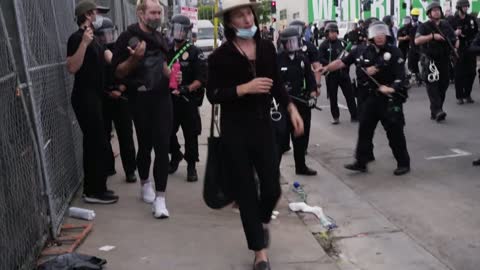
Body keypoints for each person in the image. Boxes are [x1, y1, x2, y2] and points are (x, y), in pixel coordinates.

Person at [206, 0, 304, 269]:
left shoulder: (266, 48)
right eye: (240, 16)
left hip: (262, 128)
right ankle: (259, 251)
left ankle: (261, 222)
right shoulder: (220, 57)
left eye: (249, 13)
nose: (247, 19)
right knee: (246, 191)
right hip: (235, 130)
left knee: (272, 186)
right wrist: (244, 88)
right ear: (229, 23)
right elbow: (213, 94)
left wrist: (291, 108)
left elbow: (277, 85)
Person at [112, 0, 180, 218]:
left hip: (162, 98)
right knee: (145, 145)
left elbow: (165, 65)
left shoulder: (160, 38)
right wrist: (135, 58)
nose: (157, 16)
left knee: (162, 145)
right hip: (139, 99)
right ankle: (145, 183)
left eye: (159, 12)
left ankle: (160, 199)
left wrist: (172, 75)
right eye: (153, 12)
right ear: (141, 14)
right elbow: (118, 73)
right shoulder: (126, 37)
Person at [321, 21, 411, 175]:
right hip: (370, 98)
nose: (379, 36)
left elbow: (401, 76)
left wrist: (391, 88)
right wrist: (326, 68)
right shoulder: (361, 51)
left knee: (394, 131)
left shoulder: (394, 52)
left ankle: (403, 163)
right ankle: (361, 162)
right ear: (370, 36)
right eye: (376, 34)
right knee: (364, 130)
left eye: (382, 33)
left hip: (389, 98)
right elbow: (342, 62)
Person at [66, 0, 118, 204]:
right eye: (96, 12)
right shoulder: (77, 38)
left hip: (96, 97)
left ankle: (96, 187)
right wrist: (84, 44)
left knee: (97, 142)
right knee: (96, 142)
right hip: (84, 97)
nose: (98, 16)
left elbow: (109, 60)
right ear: (87, 15)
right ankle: (94, 191)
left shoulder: (95, 38)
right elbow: (71, 67)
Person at [94, 15, 138, 184]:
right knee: (104, 135)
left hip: (122, 98)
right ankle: (108, 166)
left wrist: (122, 88)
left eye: (109, 34)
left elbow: (131, 72)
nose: (107, 38)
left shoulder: (122, 50)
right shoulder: (96, 51)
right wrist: (107, 91)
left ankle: (130, 170)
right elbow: (95, 77)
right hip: (104, 99)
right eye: (103, 35)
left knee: (126, 135)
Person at [167, 15, 207, 182]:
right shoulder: (167, 51)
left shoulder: (195, 52)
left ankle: (191, 166)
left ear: (187, 32)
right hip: (169, 100)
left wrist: (186, 88)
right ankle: (175, 154)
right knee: (167, 131)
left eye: (182, 30)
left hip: (187, 100)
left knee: (191, 135)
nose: (178, 33)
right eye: (176, 29)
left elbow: (202, 78)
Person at [277, 26, 318, 176]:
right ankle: (274, 171)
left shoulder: (302, 58)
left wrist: (313, 95)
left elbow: (310, 78)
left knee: (300, 138)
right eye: (290, 42)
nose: (293, 45)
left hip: (301, 101)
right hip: (284, 104)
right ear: (284, 43)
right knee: (281, 139)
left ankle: (300, 167)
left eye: (295, 41)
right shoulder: (277, 59)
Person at [415, 1, 458, 122]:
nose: (436, 12)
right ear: (429, 13)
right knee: (432, 85)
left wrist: (456, 42)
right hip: (430, 60)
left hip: (444, 59)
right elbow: (417, 41)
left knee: (443, 84)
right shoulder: (424, 26)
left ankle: (435, 109)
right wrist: (432, 36)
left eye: (438, 9)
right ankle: (438, 110)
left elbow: (453, 38)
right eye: (433, 10)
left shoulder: (446, 25)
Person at [318, 23, 358, 124]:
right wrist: (331, 64)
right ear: (327, 33)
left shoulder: (343, 43)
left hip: (343, 74)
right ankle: (335, 117)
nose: (333, 34)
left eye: (335, 32)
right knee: (333, 97)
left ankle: (354, 116)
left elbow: (349, 57)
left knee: (350, 95)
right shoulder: (323, 45)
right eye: (331, 32)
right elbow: (320, 59)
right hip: (331, 76)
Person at [450, 0, 478, 104]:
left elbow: (476, 33)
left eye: (467, 6)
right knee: (459, 74)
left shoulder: (471, 19)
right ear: (459, 7)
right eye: (464, 6)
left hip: (470, 48)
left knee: (472, 72)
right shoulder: (453, 20)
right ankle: (460, 96)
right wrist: (455, 33)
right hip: (458, 49)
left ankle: (467, 94)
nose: (466, 8)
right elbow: (447, 34)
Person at [408, 8, 423, 85]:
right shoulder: (408, 25)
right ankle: (417, 77)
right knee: (412, 64)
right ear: (411, 16)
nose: (415, 17)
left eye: (416, 16)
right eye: (414, 16)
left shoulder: (421, 25)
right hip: (412, 47)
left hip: (420, 47)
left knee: (422, 62)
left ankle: (421, 77)